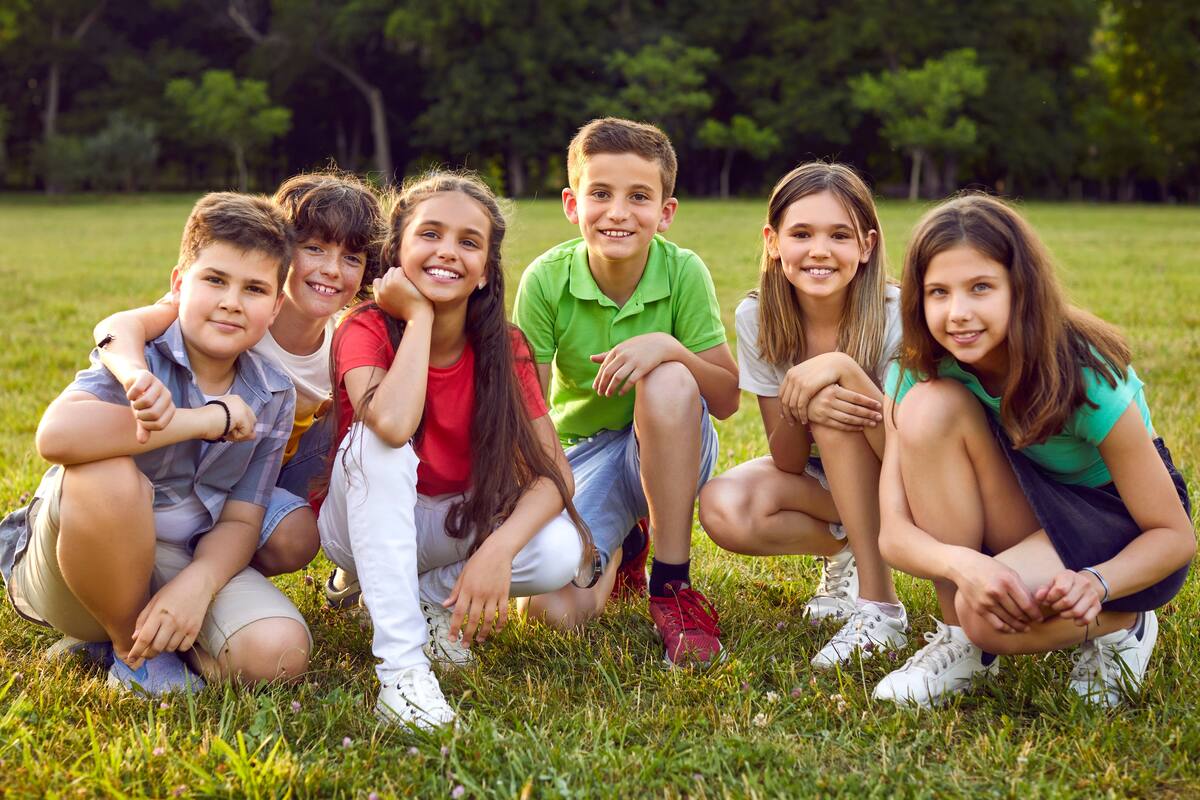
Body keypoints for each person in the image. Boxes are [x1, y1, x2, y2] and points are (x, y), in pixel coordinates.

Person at [873, 193, 1194, 707]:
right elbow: (894, 533)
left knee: (989, 620)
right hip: (1030, 498)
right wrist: (964, 566)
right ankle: (960, 643)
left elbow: (1174, 535)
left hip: (1116, 517)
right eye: (938, 292)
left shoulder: (1084, 375)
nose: (958, 313)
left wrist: (1099, 583)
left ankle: (1125, 625)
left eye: (980, 287)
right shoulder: (915, 372)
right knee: (932, 407)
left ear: (1020, 289)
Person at [0, 193, 310, 695]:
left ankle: (152, 631)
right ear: (178, 284)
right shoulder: (139, 358)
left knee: (281, 652)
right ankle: (130, 649)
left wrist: (200, 583)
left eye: (254, 289)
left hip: (178, 558)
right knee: (107, 474)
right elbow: (56, 436)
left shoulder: (272, 392)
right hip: (72, 564)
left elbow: (240, 518)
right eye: (215, 280)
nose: (232, 301)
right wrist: (203, 420)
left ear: (275, 306)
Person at [317, 172, 595, 729]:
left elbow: (553, 473)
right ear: (396, 253)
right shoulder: (365, 327)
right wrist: (418, 318)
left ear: (487, 270)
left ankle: (428, 598)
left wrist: (496, 553)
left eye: (469, 242)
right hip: (361, 525)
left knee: (558, 549)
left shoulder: (506, 346)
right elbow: (392, 425)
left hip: (455, 524)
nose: (448, 252)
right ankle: (402, 673)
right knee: (382, 444)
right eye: (431, 235)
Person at [513, 117, 740, 667]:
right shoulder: (546, 280)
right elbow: (527, 410)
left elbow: (729, 400)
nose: (618, 212)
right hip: (583, 452)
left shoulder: (683, 271)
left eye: (639, 196)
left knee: (665, 378)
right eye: (601, 194)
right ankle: (623, 545)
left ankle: (671, 586)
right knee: (551, 613)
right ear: (572, 204)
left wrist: (669, 347)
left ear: (665, 212)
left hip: (672, 443)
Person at [91, 171, 385, 577]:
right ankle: (168, 560)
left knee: (367, 421)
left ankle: (238, 571)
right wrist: (133, 373)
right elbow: (117, 326)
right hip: (186, 467)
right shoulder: (232, 314)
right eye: (314, 248)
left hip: (266, 479)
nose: (332, 269)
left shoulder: (344, 339)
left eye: (352, 257)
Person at [698, 162, 907, 667]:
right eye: (801, 233)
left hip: (903, 471)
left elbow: (910, 454)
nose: (819, 250)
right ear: (773, 241)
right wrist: (805, 403)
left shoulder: (897, 314)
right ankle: (845, 551)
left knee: (834, 408)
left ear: (867, 245)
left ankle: (881, 608)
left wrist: (834, 380)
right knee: (723, 508)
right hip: (821, 475)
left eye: (839, 234)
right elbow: (789, 460)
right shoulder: (759, 316)